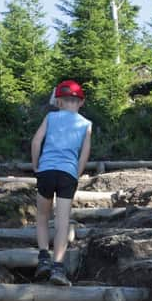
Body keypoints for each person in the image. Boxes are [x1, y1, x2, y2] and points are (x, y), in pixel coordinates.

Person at [31, 80, 93, 286]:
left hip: (46, 171)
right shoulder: (86, 124)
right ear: (81, 102)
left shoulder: (50, 117)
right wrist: (77, 173)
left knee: (41, 215)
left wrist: (36, 166)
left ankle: (43, 259)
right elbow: (84, 154)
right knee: (63, 221)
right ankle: (58, 267)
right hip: (68, 174)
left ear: (58, 101)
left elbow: (36, 141)